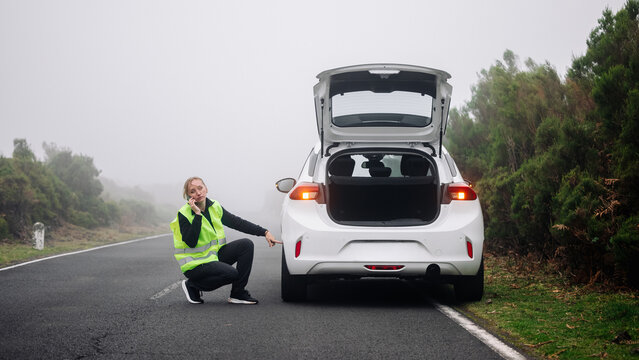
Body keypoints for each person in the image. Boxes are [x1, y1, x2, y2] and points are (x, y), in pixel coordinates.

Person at [169, 176, 281, 305]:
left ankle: (238, 293)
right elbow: (191, 242)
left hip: (213, 258)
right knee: (232, 274)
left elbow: (237, 222)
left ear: (206, 189)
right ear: (188, 196)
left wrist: (264, 232)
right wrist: (197, 214)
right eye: (193, 191)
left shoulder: (214, 207)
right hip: (196, 265)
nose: (198, 193)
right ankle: (193, 285)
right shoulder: (184, 214)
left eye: (200, 188)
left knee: (246, 244)